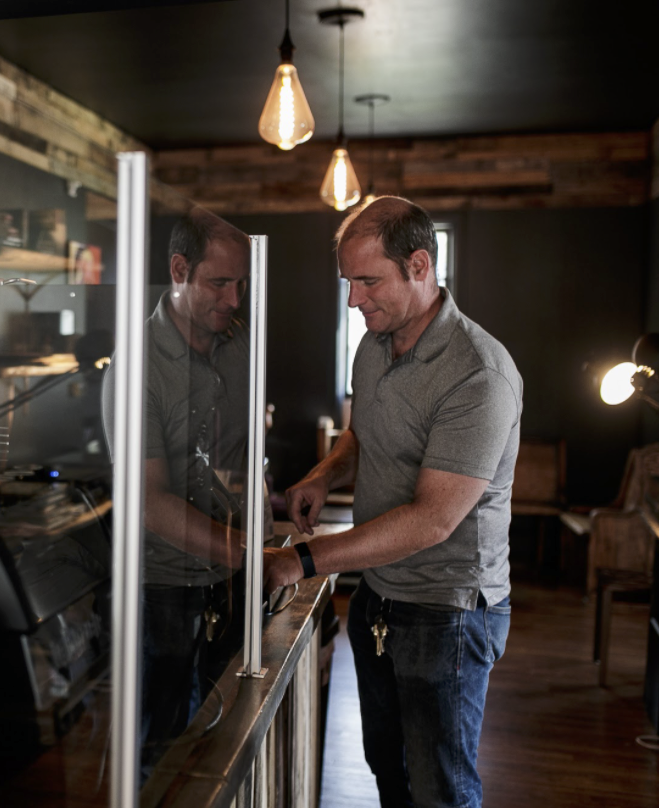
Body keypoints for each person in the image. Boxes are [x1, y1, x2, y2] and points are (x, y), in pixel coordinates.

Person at [265, 196, 521, 808]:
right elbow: (364, 433)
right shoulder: (373, 345)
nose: (354, 299)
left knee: (441, 789)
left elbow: (434, 519)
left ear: (420, 265)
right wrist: (325, 474)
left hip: (447, 613)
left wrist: (302, 559)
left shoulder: (478, 373)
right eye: (348, 281)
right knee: (389, 770)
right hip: (378, 596)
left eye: (368, 280)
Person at [101, 210, 255, 777]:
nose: (235, 299)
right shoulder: (134, 366)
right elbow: (148, 500)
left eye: (241, 284)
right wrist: (249, 555)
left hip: (232, 579)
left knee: (224, 737)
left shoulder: (238, 342)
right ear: (178, 270)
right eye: (220, 283)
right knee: (161, 745)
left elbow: (238, 457)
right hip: (163, 585)